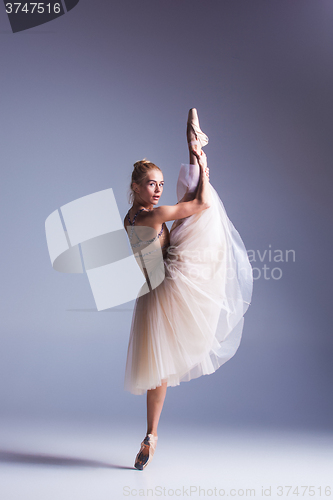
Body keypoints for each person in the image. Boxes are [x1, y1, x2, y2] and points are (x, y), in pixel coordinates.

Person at [123, 109, 253, 470]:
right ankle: (197, 151)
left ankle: (151, 434)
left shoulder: (132, 216)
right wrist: (201, 168)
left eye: (161, 184)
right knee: (202, 215)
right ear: (135, 186)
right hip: (167, 286)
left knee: (158, 373)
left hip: (150, 294)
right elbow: (200, 205)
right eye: (152, 184)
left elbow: (181, 215)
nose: (158, 189)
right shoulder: (152, 215)